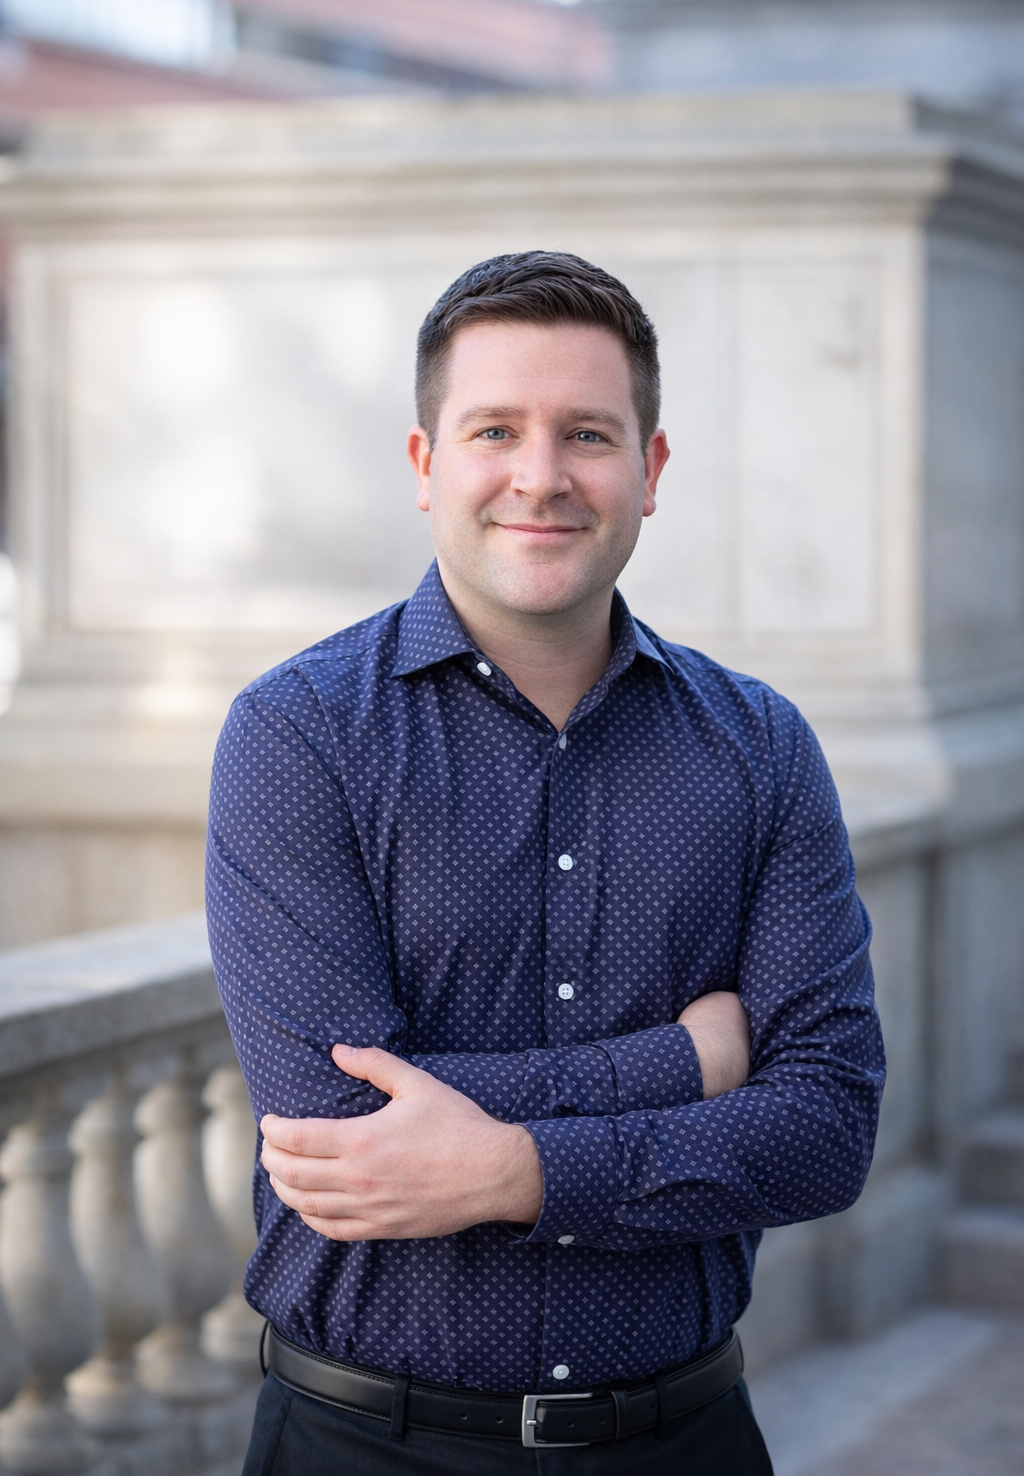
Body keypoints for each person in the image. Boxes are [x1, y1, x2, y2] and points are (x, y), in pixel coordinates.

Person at [207, 251, 885, 1475]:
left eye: (585, 433)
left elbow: (826, 1127)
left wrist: (512, 1169)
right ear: (425, 464)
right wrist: (691, 1062)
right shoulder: (298, 734)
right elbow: (343, 1135)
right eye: (493, 431)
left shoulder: (760, 747)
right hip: (366, 1445)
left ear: (649, 468)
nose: (540, 476)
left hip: (685, 1441)